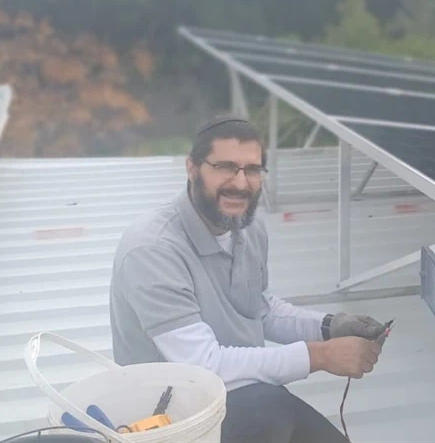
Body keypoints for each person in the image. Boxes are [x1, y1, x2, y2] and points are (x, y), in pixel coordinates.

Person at [109, 116, 387, 443]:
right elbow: (202, 367)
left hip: (246, 396)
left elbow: (259, 309)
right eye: (225, 167)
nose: (240, 183)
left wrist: (329, 326)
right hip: (172, 419)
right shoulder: (153, 250)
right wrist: (321, 355)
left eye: (252, 170)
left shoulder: (247, 227)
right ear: (192, 168)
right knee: (267, 408)